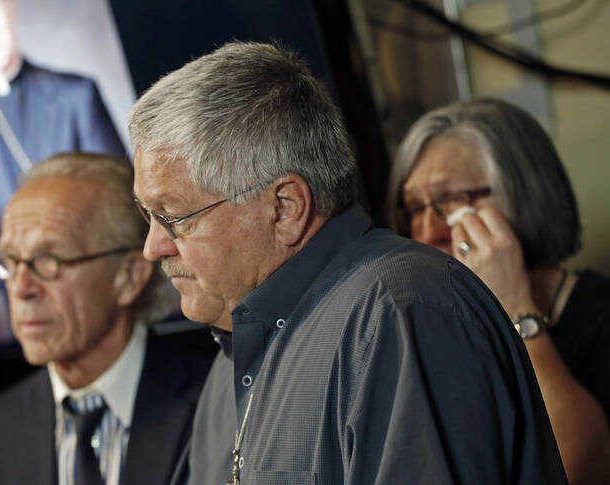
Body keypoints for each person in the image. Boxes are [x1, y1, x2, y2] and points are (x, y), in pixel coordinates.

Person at [128, 41, 567, 484]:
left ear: (284, 208)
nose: (153, 247)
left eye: (172, 217)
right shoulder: (231, 360)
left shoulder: (400, 311)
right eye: (148, 216)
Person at [0, 153, 216, 485]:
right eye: (10, 261)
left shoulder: (216, 400)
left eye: (47, 260)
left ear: (128, 278)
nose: (20, 288)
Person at [387, 98, 610, 484]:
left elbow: (575, 471)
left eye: (450, 201)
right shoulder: (444, 330)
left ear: (524, 195)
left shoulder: (600, 317)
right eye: (414, 209)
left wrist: (515, 307)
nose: (426, 232)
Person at [0, 0, 125, 287]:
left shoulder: (76, 95)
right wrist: (16, 268)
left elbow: (120, 194)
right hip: (21, 293)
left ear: (10, 9)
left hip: (94, 282)